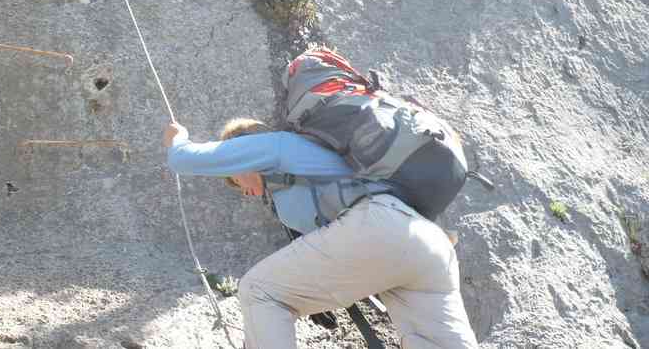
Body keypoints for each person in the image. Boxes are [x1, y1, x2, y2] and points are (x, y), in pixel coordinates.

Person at [163, 117, 479, 349]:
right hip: (428, 244)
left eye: (232, 179)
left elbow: (183, 159)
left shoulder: (274, 146)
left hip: (379, 227)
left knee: (259, 291)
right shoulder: (302, 170)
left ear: (239, 151)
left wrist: (177, 138)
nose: (241, 190)